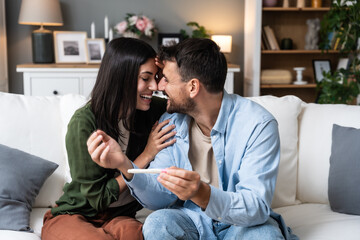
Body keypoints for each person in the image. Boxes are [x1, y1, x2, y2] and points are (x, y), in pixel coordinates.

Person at [88, 38, 298, 240]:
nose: (159, 87)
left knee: (265, 235)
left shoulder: (258, 125)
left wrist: (203, 194)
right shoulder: (171, 122)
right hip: (192, 219)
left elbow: (256, 206)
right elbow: (159, 197)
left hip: (240, 223)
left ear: (193, 87)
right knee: (158, 223)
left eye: (166, 79)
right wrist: (125, 165)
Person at [41, 37, 176, 240]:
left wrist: (169, 70)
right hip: (76, 213)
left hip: (120, 217)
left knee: (137, 235)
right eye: (146, 78)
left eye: (157, 77)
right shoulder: (84, 121)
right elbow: (97, 198)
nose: (155, 85)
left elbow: (188, 100)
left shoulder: (151, 110)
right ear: (121, 77)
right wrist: (147, 154)